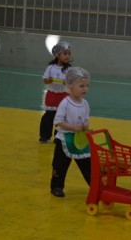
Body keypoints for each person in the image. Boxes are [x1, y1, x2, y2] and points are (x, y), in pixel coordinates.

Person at [50, 66, 91, 197]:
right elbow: (58, 121)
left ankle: (95, 185)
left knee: (87, 164)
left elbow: (86, 119)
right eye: (81, 86)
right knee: (60, 165)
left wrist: (85, 125)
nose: (85, 89)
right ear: (70, 87)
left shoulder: (85, 104)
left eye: (87, 86)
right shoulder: (65, 103)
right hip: (64, 140)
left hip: (79, 140)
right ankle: (56, 187)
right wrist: (73, 127)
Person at [39, 41, 72, 143]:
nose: (67, 56)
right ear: (58, 55)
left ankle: (59, 137)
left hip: (64, 96)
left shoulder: (69, 69)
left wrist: (66, 82)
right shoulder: (51, 67)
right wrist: (50, 80)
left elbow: (71, 82)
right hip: (52, 95)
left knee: (61, 117)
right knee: (49, 116)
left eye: (69, 54)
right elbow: (45, 79)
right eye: (65, 53)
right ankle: (45, 136)